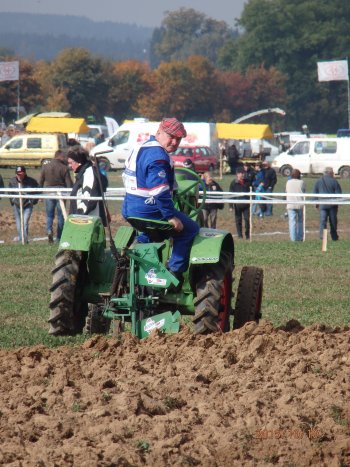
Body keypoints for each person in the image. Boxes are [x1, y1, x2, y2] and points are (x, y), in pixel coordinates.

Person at [122, 117, 199, 287]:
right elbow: (159, 190)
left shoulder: (140, 147)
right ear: (158, 132)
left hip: (130, 209)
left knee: (152, 231)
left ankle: (137, 250)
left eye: (178, 139)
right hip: (148, 209)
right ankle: (174, 272)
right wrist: (170, 216)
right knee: (190, 229)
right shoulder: (159, 157)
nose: (174, 142)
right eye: (170, 136)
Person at [67, 146, 108, 226]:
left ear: (79, 162)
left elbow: (89, 198)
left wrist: (79, 216)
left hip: (87, 221)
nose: (69, 166)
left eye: (71, 162)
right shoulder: (83, 173)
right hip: (83, 220)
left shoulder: (89, 173)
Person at [39, 150, 73, 243]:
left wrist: (40, 194)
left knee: (49, 215)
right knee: (60, 215)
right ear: (60, 156)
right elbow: (69, 183)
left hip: (49, 191)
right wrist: (71, 194)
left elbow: (41, 180)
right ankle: (59, 237)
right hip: (61, 192)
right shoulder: (64, 168)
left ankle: (49, 230)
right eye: (64, 157)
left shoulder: (45, 166)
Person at [8, 166, 39, 243]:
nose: (19, 175)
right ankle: (22, 239)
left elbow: (38, 190)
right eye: (18, 174)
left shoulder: (31, 181)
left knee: (24, 223)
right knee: (19, 224)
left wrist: (34, 201)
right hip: (17, 205)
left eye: (21, 174)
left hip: (27, 204)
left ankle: (24, 240)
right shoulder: (12, 181)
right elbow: (9, 192)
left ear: (24, 173)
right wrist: (12, 201)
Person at [313, 167, 342, 241]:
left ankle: (322, 237)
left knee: (323, 221)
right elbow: (338, 194)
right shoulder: (335, 181)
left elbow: (315, 192)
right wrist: (338, 202)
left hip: (322, 204)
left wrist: (316, 203)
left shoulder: (319, 181)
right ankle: (334, 237)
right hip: (333, 205)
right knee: (333, 221)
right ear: (331, 173)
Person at [229, 168, 250, 239]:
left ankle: (247, 235)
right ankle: (240, 235)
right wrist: (231, 206)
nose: (242, 175)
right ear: (237, 174)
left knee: (247, 220)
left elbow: (251, 191)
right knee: (238, 220)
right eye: (241, 173)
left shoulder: (247, 182)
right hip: (237, 205)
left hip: (246, 204)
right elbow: (231, 194)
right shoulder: (233, 183)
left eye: (243, 173)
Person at [286, 169, 305, 241]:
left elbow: (286, 191)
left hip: (290, 204)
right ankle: (300, 237)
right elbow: (304, 190)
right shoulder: (301, 182)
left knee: (292, 221)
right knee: (300, 221)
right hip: (300, 204)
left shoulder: (288, 182)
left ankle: (293, 239)